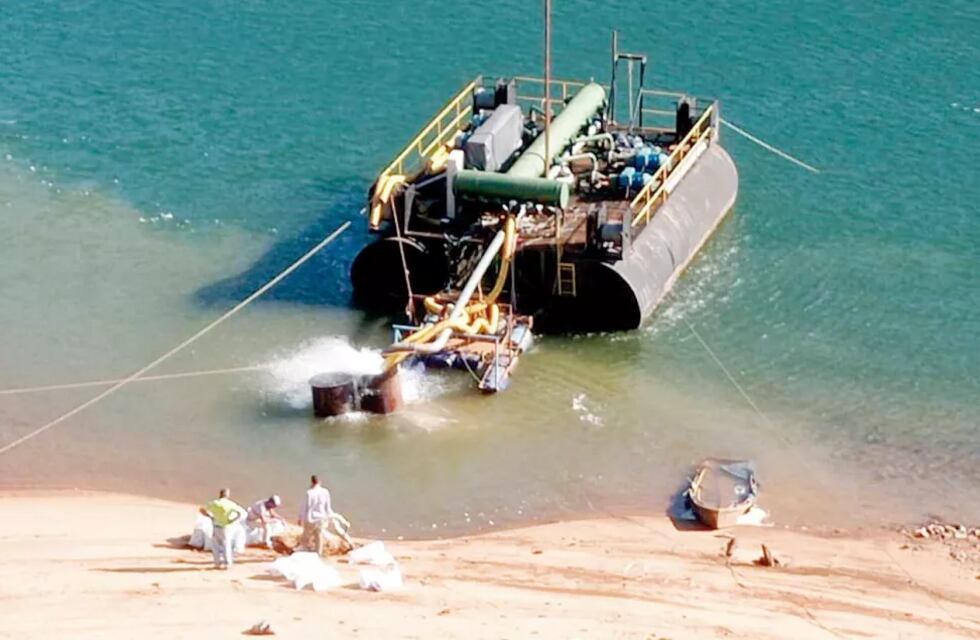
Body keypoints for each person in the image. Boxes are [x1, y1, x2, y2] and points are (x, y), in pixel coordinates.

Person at [298, 474, 353, 555]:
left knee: (305, 538)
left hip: (311, 519)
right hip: (321, 519)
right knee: (319, 537)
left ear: (312, 482)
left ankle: (303, 552)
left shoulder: (309, 493)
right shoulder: (325, 492)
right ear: (320, 482)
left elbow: (305, 507)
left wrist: (300, 518)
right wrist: (334, 517)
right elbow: (327, 508)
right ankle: (318, 554)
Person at [199, 488, 247, 569]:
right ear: (227, 495)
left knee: (215, 545)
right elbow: (240, 513)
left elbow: (202, 509)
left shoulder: (215, 503)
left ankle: (217, 563)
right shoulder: (231, 504)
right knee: (226, 545)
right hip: (226, 526)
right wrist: (232, 520)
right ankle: (227, 563)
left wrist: (210, 516)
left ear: (220, 494)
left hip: (216, 525)